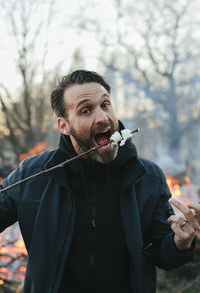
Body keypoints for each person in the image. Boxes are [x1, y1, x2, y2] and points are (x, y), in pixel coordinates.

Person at [0, 70, 200, 293]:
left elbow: (164, 255)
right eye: (86, 110)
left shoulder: (147, 177)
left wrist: (180, 243)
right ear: (64, 125)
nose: (103, 118)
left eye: (105, 105)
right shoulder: (34, 174)